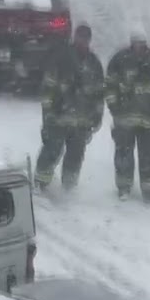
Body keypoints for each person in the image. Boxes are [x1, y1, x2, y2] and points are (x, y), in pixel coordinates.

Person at [35, 24, 105, 191]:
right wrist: (48, 112)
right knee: (52, 150)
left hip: (82, 121)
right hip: (59, 117)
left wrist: (97, 117)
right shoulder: (61, 57)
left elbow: (99, 94)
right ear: (75, 37)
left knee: (75, 156)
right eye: (80, 38)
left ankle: (69, 187)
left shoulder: (94, 63)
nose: (82, 41)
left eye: (85, 39)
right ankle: (40, 184)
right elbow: (48, 87)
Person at [105, 33, 150, 202]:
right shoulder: (119, 60)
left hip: (148, 120)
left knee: (148, 154)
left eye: (142, 44)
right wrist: (114, 106)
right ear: (131, 43)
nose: (139, 47)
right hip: (124, 119)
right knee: (123, 153)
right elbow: (110, 84)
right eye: (136, 43)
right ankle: (123, 187)